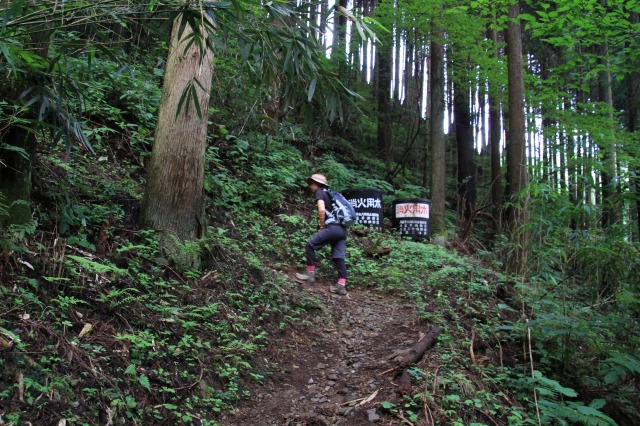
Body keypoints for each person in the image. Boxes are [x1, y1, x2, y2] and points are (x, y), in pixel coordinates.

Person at [295, 173, 348, 296]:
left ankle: (310, 273)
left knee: (310, 245)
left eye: (312, 183)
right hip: (342, 229)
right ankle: (341, 286)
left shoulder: (320, 192)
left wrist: (322, 226)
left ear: (318, 184)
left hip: (332, 227)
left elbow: (322, 209)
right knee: (339, 257)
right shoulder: (331, 195)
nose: (310, 186)